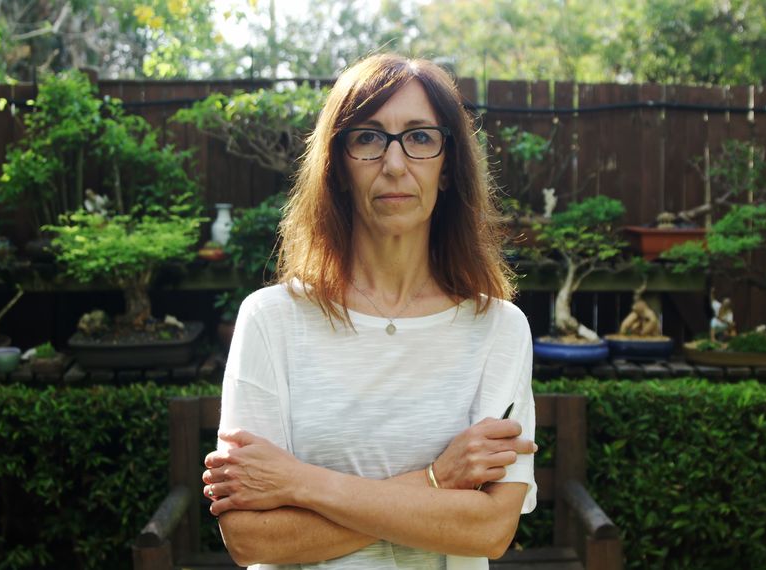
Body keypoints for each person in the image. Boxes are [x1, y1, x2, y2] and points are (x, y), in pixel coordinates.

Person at [201, 53, 538, 569]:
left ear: (449, 168)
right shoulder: (270, 321)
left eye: (421, 137)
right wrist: (436, 483)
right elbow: (252, 539)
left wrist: (298, 484)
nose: (395, 164)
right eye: (369, 138)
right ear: (337, 168)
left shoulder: (499, 330)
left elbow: (490, 529)